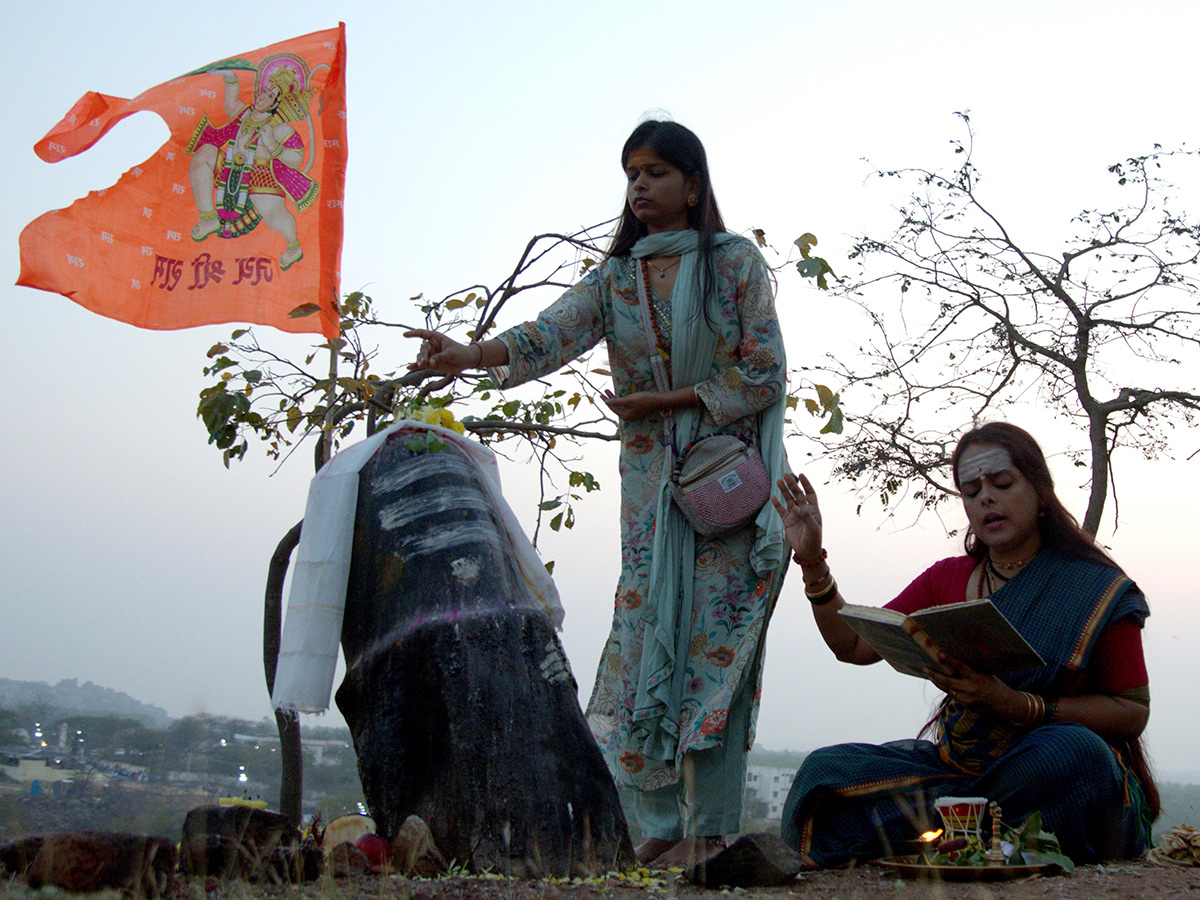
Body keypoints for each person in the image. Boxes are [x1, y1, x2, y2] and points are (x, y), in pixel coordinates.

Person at [406, 120, 790, 866]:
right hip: (651, 495)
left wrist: (668, 402)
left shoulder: (737, 262)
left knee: (718, 652)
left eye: (654, 172)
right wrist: (467, 355)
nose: (639, 186)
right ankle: (652, 826)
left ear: (694, 184)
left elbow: (765, 372)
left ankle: (711, 826)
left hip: (723, 493)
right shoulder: (616, 278)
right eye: (631, 173)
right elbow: (549, 334)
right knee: (648, 640)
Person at [772, 422, 1157, 867]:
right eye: (971, 491)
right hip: (955, 771)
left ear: (1040, 491)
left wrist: (1019, 705)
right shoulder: (947, 579)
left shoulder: (1095, 587)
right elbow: (853, 647)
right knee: (826, 771)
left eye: (1002, 483)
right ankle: (964, 831)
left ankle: (941, 836)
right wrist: (812, 560)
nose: (985, 498)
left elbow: (1132, 712)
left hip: (1043, 772)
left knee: (1076, 755)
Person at [186, 55, 319, 270]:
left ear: (276, 104)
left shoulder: (278, 128)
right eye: (265, 92)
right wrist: (230, 77)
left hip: (260, 177)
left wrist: (274, 146)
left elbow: (297, 158)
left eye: (270, 96)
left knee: (274, 215)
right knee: (204, 154)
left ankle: (293, 246)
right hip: (228, 168)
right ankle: (209, 217)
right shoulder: (244, 114)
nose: (263, 97)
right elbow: (230, 102)